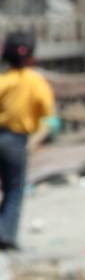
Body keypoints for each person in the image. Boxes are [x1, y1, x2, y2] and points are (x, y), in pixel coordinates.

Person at [0, 32, 55, 251]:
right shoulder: (35, 82)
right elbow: (49, 117)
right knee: (14, 189)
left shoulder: (3, 81)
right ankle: (6, 234)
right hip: (15, 141)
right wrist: (40, 138)